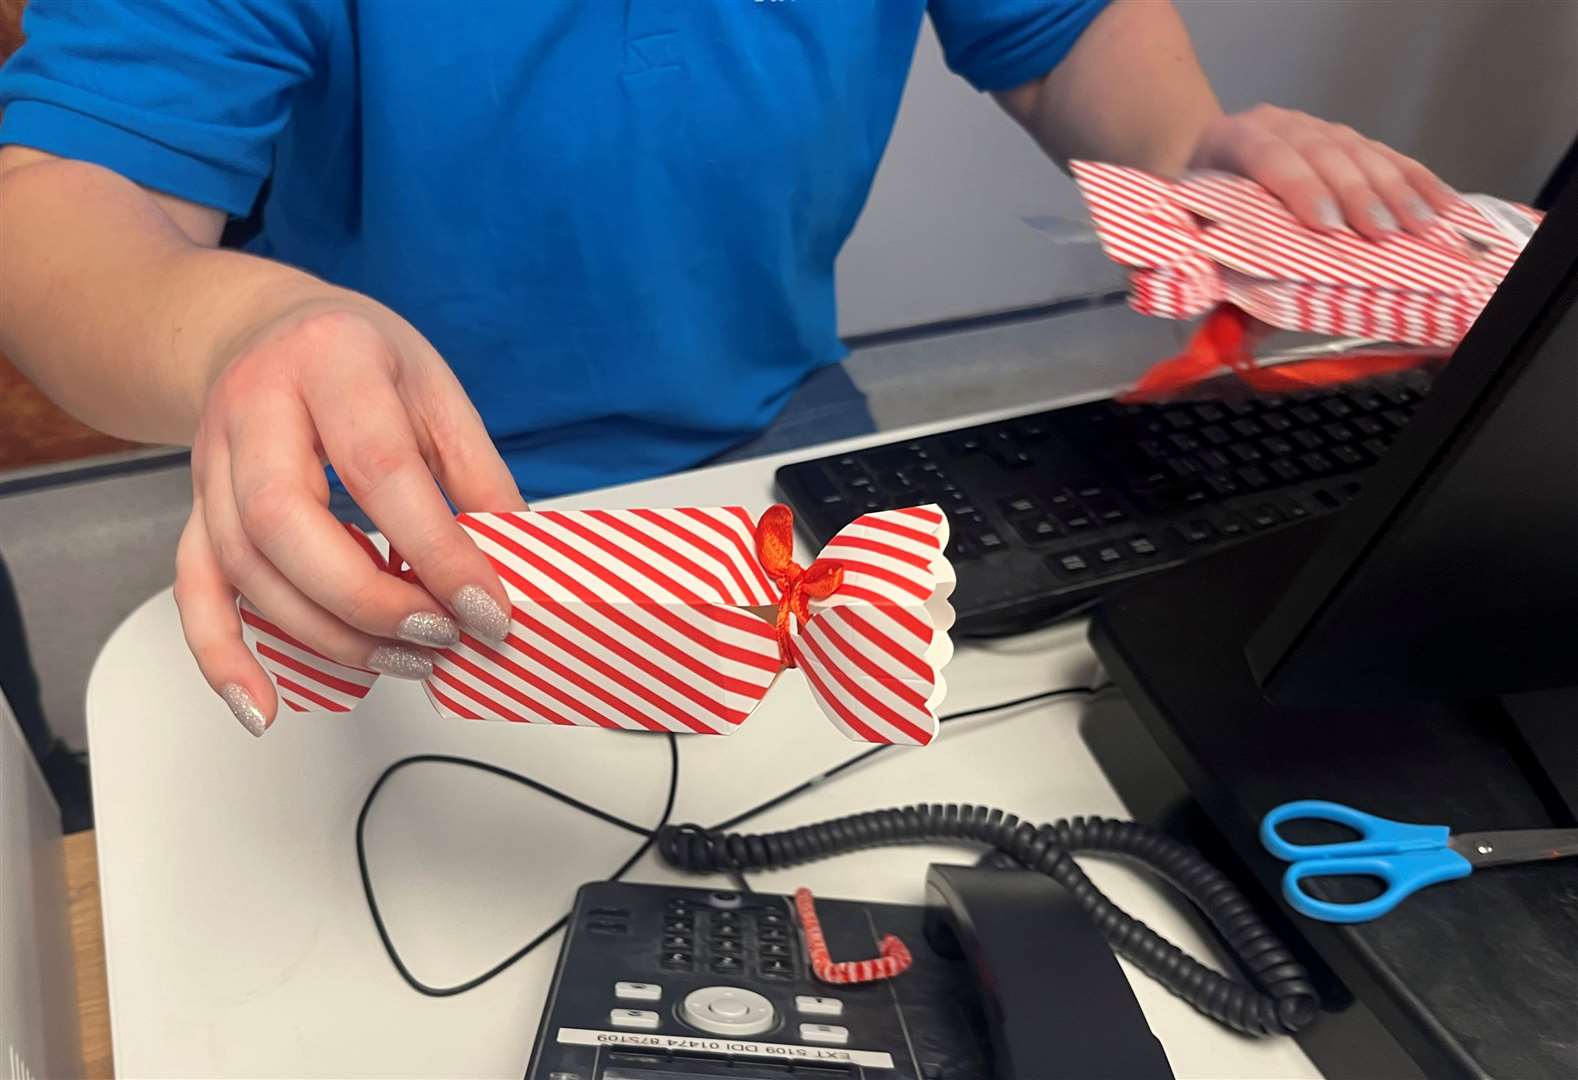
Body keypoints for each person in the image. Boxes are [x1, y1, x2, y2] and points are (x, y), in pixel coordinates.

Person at [0, 1, 1454, 737]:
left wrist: (1179, 145)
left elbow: (1058, 30)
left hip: (775, 421)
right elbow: (61, 207)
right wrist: (237, 333)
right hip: (388, 480)